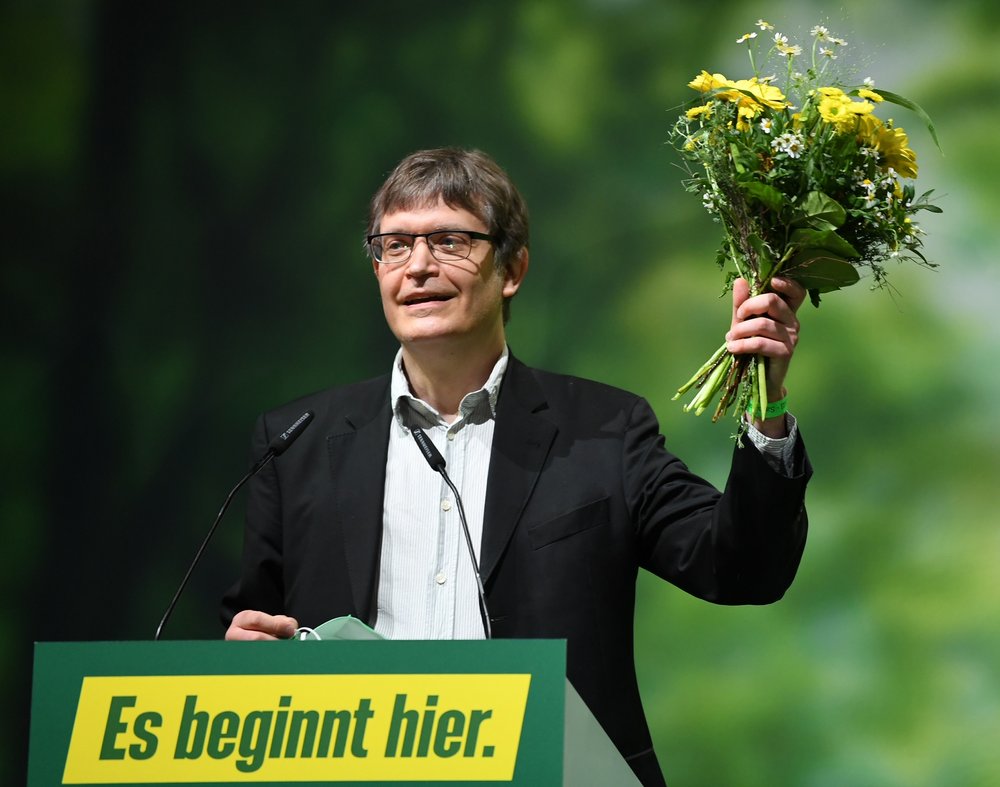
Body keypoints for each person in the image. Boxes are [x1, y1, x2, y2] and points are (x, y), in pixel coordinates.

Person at [222, 147, 811, 786]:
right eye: (394, 246)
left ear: (512, 269)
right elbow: (254, 636)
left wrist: (767, 406)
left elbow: (743, 567)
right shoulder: (295, 441)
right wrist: (245, 657)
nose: (417, 266)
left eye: (449, 241)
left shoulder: (603, 431)